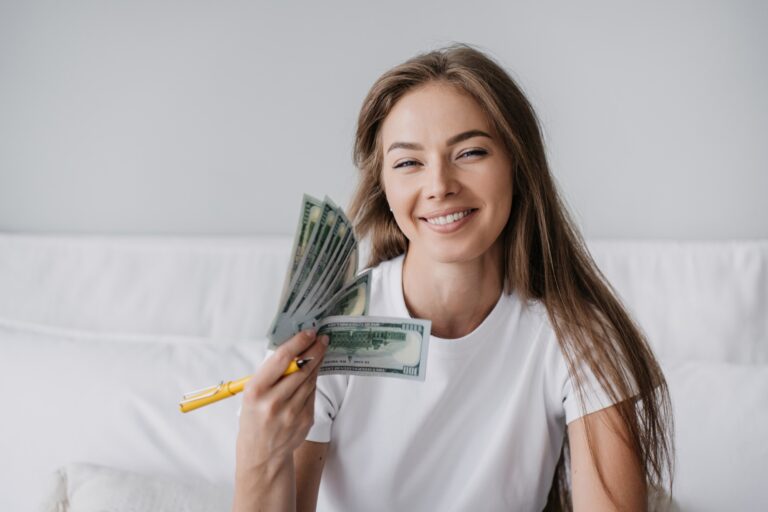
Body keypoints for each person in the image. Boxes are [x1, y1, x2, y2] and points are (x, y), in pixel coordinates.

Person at [233, 43, 675, 512]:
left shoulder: (577, 339)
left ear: (518, 166)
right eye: (408, 162)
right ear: (384, 185)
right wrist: (257, 453)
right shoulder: (323, 333)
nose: (440, 185)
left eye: (470, 152)